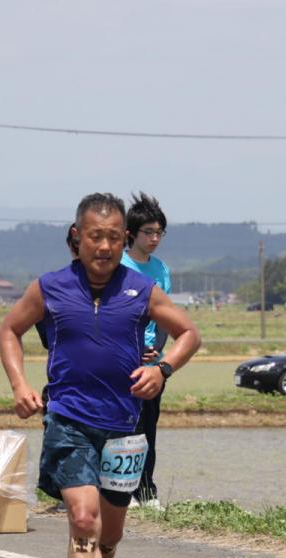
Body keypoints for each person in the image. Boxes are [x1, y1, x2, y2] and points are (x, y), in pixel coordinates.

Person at [0, 193, 200, 558]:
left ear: (124, 239)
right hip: (69, 419)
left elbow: (189, 333)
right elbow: (10, 330)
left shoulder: (140, 289)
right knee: (84, 520)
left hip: (124, 427)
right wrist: (20, 385)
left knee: (110, 536)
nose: (104, 246)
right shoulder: (50, 287)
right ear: (78, 237)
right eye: (95, 237)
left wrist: (163, 370)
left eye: (113, 238)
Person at [121, 192, 171, 509]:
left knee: (148, 428)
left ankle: (146, 491)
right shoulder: (118, 266)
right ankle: (121, 491)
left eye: (159, 233)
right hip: (123, 359)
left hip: (153, 363)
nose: (154, 239)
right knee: (126, 428)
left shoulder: (161, 269)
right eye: (148, 232)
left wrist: (157, 353)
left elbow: (166, 317)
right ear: (131, 234)